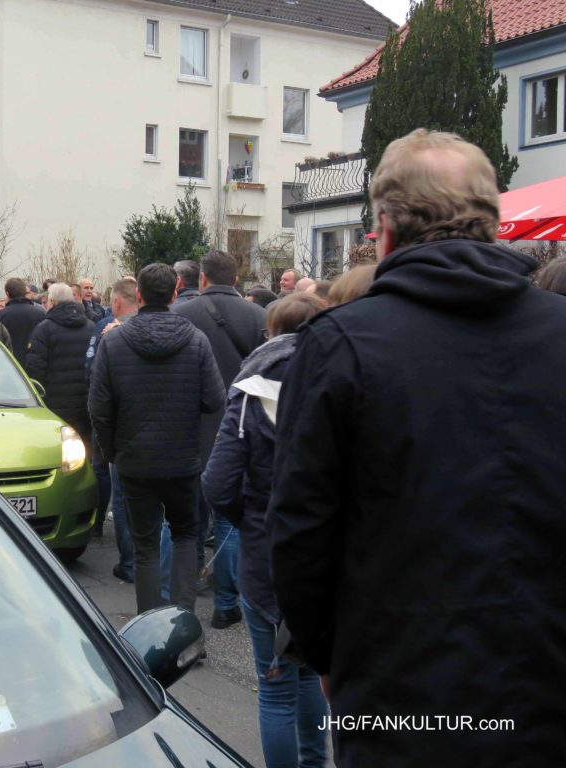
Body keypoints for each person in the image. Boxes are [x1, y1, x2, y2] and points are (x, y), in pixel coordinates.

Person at [269, 129, 566, 766]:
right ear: (491, 217)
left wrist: (327, 656)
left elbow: (299, 533)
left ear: (384, 226)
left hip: (404, 696)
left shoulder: (339, 344)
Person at [202, 292, 328, 768]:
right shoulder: (341, 377)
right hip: (321, 554)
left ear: (271, 332)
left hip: (266, 551)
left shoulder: (252, 387)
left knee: (276, 687)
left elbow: (218, 483)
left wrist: (247, 516)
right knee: (312, 670)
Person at [88, 263, 225, 614]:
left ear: (141, 296)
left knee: (146, 546)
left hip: (134, 460)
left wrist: (112, 450)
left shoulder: (114, 341)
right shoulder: (195, 340)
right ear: (175, 293)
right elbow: (214, 400)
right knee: (185, 536)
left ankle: (150, 629)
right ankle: (184, 624)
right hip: (181, 459)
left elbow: (99, 407)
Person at [174, 250, 266, 629]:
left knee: (184, 523)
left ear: (203, 279)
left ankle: (182, 604)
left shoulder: (180, 316)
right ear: (236, 278)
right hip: (239, 429)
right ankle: (226, 604)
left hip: (188, 430)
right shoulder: (259, 317)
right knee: (229, 523)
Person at [86, 277, 140, 582]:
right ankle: (152, 562)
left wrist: (105, 442)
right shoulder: (184, 331)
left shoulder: (112, 335)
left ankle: (131, 563)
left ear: (117, 302)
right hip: (165, 435)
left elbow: (97, 389)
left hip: (123, 434)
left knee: (123, 499)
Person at [26, 282, 94, 446]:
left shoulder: (44, 329)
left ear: (52, 302)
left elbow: (35, 368)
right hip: (85, 402)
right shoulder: (90, 327)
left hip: (55, 403)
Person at [0, 277, 46, 365]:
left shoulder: (0, 316)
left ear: (7, 293)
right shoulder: (41, 313)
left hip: (10, 364)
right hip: (36, 363)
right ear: (25, 292)